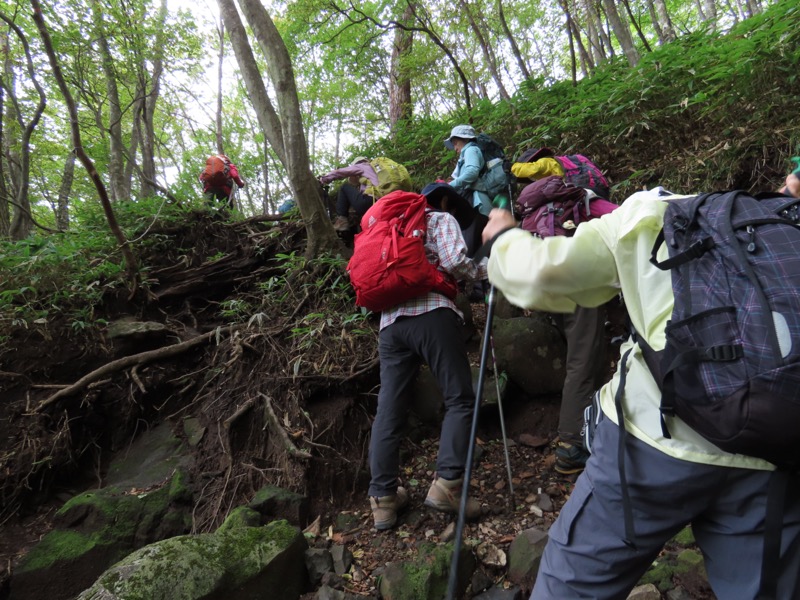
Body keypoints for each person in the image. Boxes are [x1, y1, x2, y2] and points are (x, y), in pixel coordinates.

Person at [480, 176, 800, 599]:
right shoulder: (786, 226)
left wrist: (502, 238)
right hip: (774, 443)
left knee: (573, 582)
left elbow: (539, 274)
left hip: (651, 440)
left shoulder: (644, 214)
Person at [368, 182, 487, 530]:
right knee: (459, 398)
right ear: (445, 200)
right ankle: (447, 485)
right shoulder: (439, 218)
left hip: (390, 325)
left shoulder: (391, 226)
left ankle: (383, 499)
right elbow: (453, 261)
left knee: (389, 409)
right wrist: (486, 270)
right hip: (432, 313)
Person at [318, 157, 380, 232]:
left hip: (370, 202)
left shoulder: (362, 165)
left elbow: (340, 172)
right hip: (385, 202)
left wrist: (323, 179)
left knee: (344, 187)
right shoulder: (378, 170)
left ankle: (342, 221)